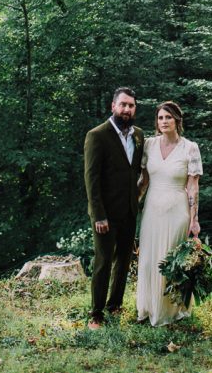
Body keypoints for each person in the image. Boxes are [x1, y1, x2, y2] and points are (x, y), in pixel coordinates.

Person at [136, 101, 203, 327]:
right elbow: (143, 181)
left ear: (177, 121)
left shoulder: (190, 148)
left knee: (171, 261)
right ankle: (148, 308)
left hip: (177, 210)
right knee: (148, 260)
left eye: (168, 118)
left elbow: (193, 186)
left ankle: (172, 310)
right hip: (152, 209)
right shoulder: (148, 145)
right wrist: (130, 204)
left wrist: (194, 220)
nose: (163, 122)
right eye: (160, 118)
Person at [84, 86, 145, 330]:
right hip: (105, 215)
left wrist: (138, 198)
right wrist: (98, 214)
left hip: (130, 211)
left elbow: (137, 172)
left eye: (131, 106)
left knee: (124, 261)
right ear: (113, 106)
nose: (127, 109)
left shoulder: (139, 135)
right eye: (123, 105)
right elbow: (91, 179)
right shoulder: (97, 135)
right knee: (103, 262)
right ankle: (96, 314)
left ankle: (115, 306)